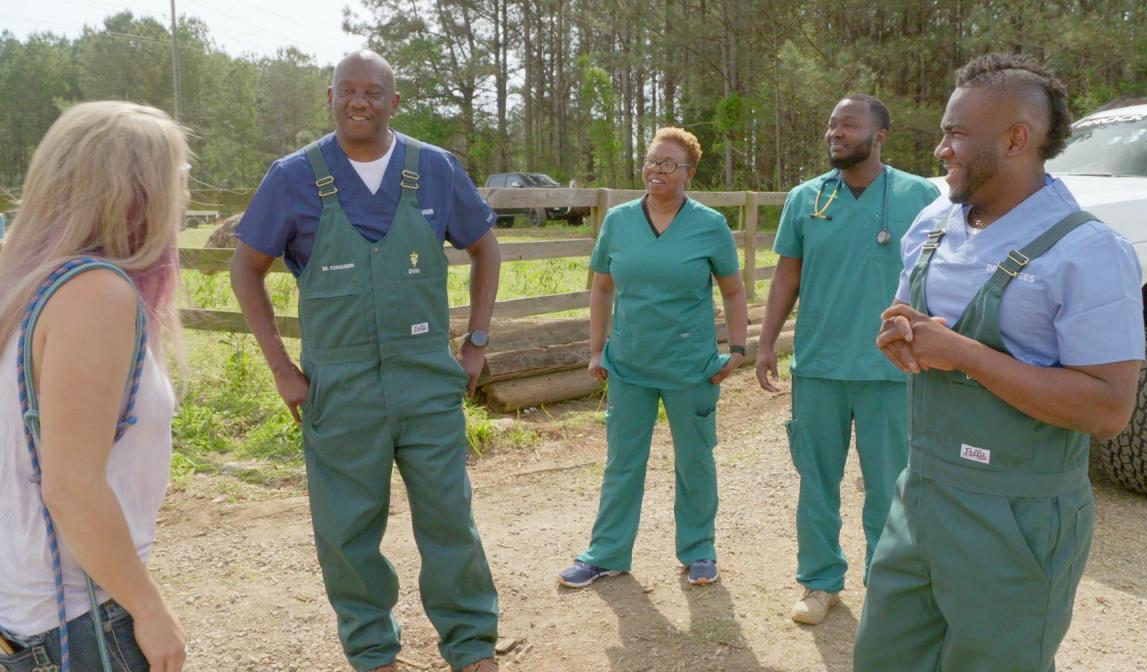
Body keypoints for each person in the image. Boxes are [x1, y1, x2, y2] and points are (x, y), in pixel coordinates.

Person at [855, 54, 1144, 671]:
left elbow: (1109, 408)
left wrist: (963, 354)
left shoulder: (1089, 252)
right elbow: (911, 309)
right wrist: (901, 329)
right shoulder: (934, 222)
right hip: (921, 492)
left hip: (1017, 516)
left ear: (1017, 138)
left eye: (957, 133)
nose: (940, 149)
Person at [231, 51, 502, 672]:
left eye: (373, 91)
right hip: (339, 387)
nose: (360, 101)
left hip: (428, 383)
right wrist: (281, 370)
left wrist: (476, 344)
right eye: (347, 91)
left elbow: (487, 250)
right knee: (347, 531)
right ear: (329, 97)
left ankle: (471, 646)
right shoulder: (293, 176)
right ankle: (373, 651)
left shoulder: (434, 170)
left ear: (393, 101)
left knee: (450, 520)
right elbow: (245, 269)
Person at [0, 101, 188, 672]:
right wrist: (151, 611)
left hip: (26, 616)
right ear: (137, 192)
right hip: (80, 622)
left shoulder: (23, 285)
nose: (184, 199)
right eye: (177, 181)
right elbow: (72, 487)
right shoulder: (95, 294)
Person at [755, 95, 940, 625]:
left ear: (880, 134)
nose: (835, 133)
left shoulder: (920, 194)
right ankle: (818, 582)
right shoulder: (806, 198)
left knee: (890, 485)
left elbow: (941, 272)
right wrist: (767, 343)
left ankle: (885, 585)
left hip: (891, 368)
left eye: (848, 125)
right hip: (818, 365)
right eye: (832, 125)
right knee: (817, 481)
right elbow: (787, 275)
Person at [558, 127, 748, 589]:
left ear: (689, 173)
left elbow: (734, 290)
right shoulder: (619, 222)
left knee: (695, 461)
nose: (657, 170)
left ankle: (699, 550)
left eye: (669, 163)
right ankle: (607, 553)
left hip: (690, 367)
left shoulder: (709, 225)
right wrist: (597, 348)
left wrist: (738, 348)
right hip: (630, 364)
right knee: (623, 461)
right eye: (651, 160)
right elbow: (602, 287)